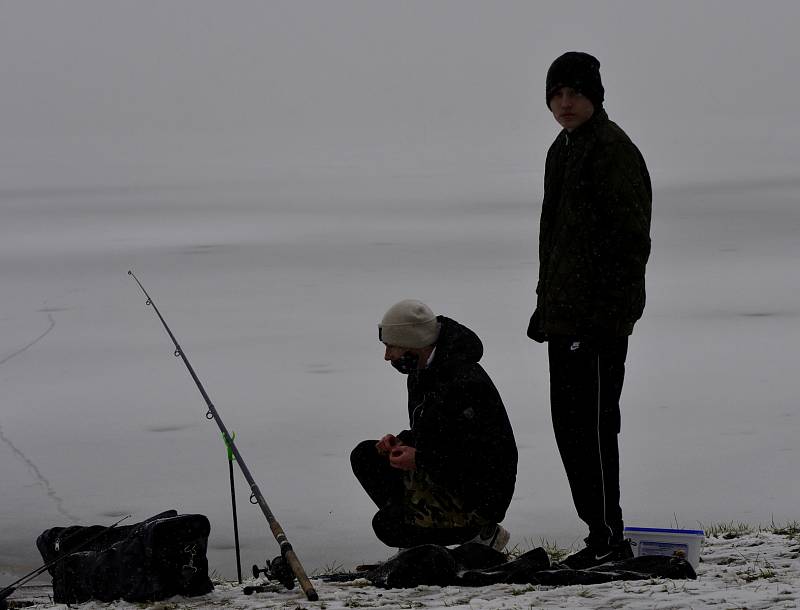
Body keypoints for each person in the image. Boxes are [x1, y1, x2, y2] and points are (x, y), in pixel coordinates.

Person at [527, 52, 652, 569]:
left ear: (594, 96)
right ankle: (597, 532)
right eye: (556, 94)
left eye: (574, 93)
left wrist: (607, 314)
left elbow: (630, 242)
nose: (564, 103)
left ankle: (610, 536)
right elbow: (556, 238)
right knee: (569, 425)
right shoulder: (564, 148)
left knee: (594, 426)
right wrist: (547, 304)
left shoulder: (612, 150)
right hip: (565, 315)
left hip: (597, 320)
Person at [352, 299, 518, 552]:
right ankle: (419, 532)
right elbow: (434, 431)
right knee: (367, 456)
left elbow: (476, 458)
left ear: (412, 343)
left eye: (390, 347)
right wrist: (401, 442)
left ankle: (479, 534)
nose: (387, 357)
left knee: (390, 525)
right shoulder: (424, 371)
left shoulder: (464, 382)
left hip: (479, 496)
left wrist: (420, 459)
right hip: (445, 470)